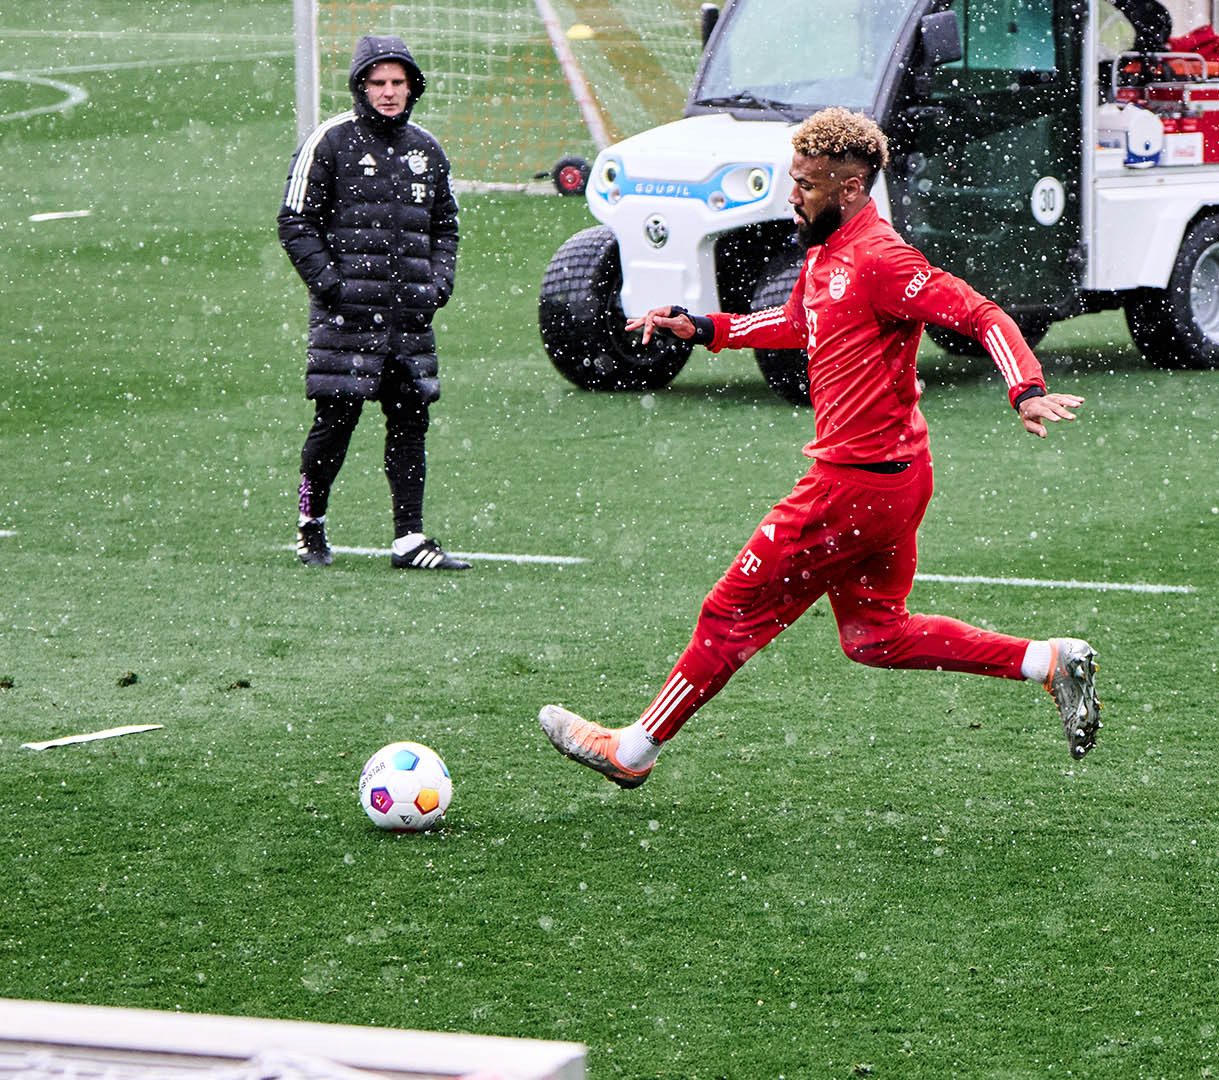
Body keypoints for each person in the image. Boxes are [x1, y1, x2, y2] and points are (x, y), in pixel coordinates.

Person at [537, 107, 1100, 787]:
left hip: (853, 486)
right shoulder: (826, 255)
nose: (791, 196)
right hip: (893, 477)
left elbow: (978, 312)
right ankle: (1049, 661)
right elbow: (797, 320)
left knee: (727, 613)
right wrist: (705, 326)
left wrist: (1024, 387)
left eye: (805, 184)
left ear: (852, 188)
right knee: (875, 636)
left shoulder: (883, 258)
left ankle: (631, 753)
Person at [279, 35, 467, 571]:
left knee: (410, 423)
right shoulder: (330, 142)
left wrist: (437, 286)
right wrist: (333, 287)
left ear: (412, 88)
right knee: (334, 424)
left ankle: (409, 539)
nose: (388, 93)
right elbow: (294, 221)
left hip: (409, 320)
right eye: (378, 83)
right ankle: (310, 526)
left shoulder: (426, 150)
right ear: (361, 87)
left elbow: (446, 226)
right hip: (347, 320)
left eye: (397, 83)